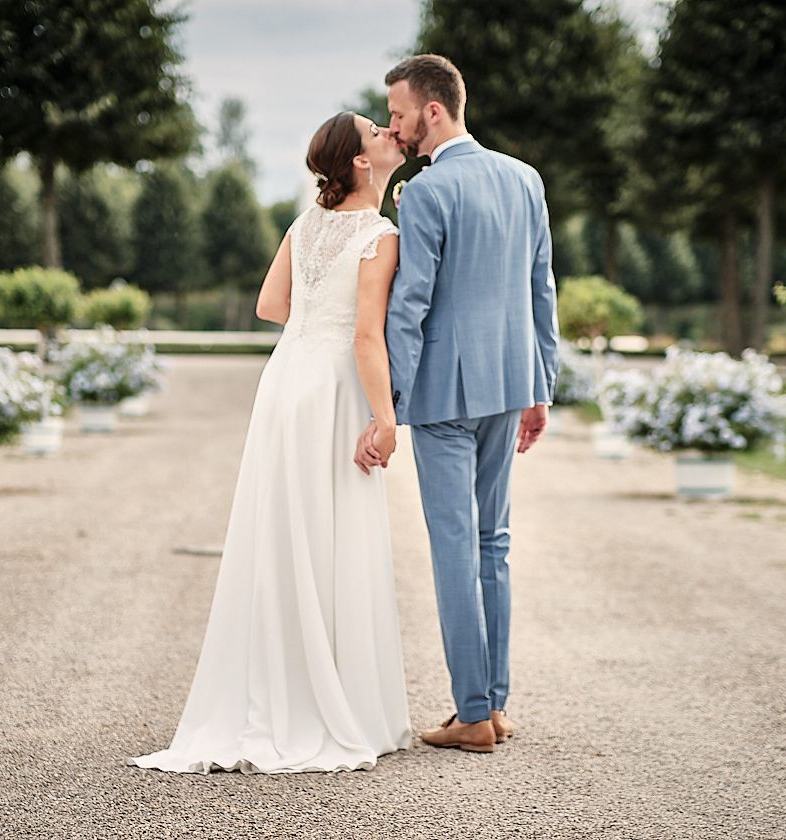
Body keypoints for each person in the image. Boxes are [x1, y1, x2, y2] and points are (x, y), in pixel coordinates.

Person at [127, 111, 411, 774]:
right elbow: (366, 336)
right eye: (376, 131)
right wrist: (386, 419)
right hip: (333, 388)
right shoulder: (380, 236)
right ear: (360, 162)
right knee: (331, 530)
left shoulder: (302, 225)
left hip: (285, 383)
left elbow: (269, 307)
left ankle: (279, 689)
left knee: (284, 529)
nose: (388, 134)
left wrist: (315, 320)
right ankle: (331, 702)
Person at [357, 54, 559, 753]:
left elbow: (410, 305)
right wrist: (541, 384)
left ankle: (472, 714)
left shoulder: (425, 192)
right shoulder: (525, 178)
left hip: (444, 393)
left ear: (433, 110)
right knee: (492, 543)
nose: (394, 127)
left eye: (399, 113)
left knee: (453, 547)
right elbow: (541, 288)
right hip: (509, 384)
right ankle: (495, 706)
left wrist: (391, 405)